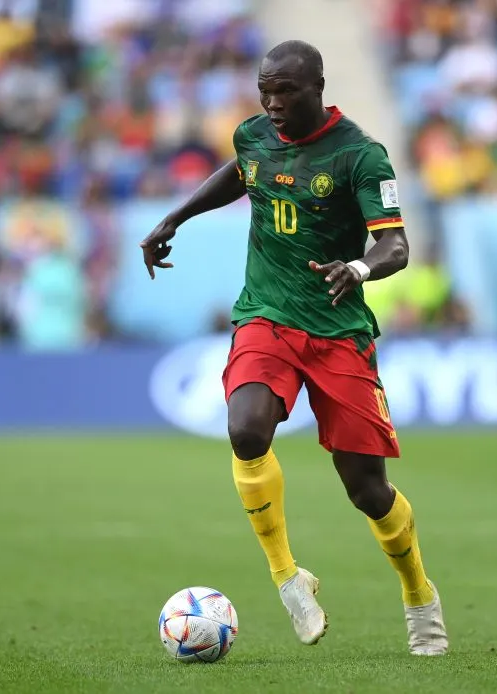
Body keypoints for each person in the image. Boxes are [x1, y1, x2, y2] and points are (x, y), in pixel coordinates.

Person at [140, 40, 448, 656]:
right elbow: (242, 172)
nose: (273, 104)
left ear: (318, 89)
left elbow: (396, 247)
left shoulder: (361, 156)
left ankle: (419, 594)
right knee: (246, 430)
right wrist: (177, 216)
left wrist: (358, 268)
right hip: (268, 315)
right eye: (266, 92)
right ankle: (287, 577)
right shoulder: (253, 135)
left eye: (286, 91)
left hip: (337, 330)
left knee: (368, 491)